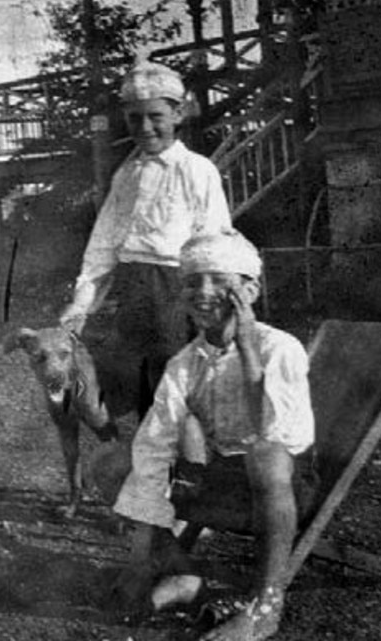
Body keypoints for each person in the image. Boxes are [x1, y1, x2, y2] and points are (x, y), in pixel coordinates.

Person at [112, 229, 317, 641]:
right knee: (112, 461)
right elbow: (155, 442)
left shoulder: (280, 348)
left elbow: (279, 434)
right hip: (223, 481)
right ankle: (184, 574)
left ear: (250, 289)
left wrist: (246, 348)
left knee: (265, 453)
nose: (204, 292)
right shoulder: (185, 363)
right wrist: (141, 552)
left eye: (220, 281)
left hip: (285, 485)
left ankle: (265, 605)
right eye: (192, 282)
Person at [59, 61, 232, 417]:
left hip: (177, 291)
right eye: (135, 118)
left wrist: (208, 304)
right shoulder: (126, 175)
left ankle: (186, 469)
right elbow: (103, 246)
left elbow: (213, 242)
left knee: (176, 388)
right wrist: (80, 306)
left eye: (156, 116)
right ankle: (148, 464)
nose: (146, 127)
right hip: (132, 293)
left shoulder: (197, 170)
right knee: (126, 392)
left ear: (178, 113)